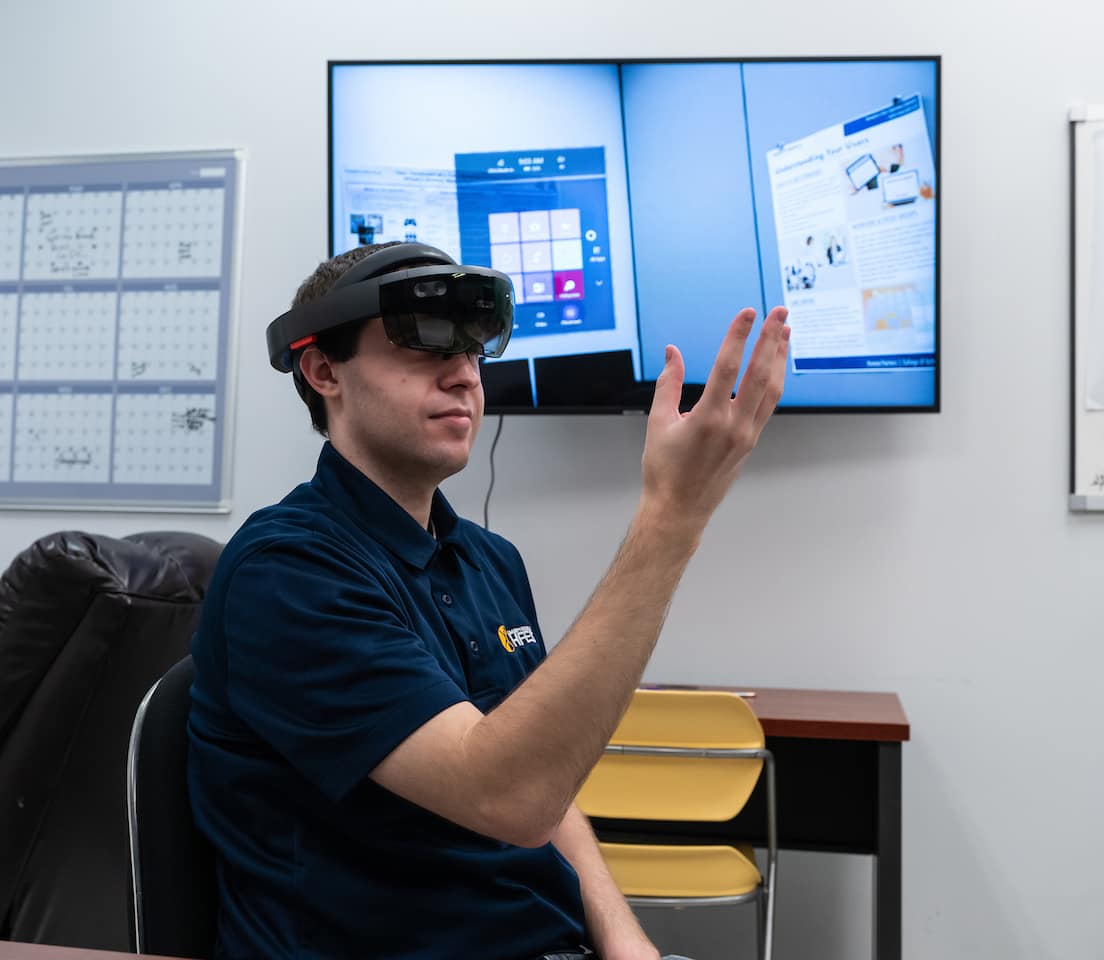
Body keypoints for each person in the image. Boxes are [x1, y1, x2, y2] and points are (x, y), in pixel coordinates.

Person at [187, 240, 790, 960]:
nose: (464, 374)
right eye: (424, 340)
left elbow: (549, 780)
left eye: (475, 347)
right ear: (323, 370)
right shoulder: (289, 570)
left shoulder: (488, 560)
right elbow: (510, 794)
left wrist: (631, 947)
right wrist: (672, 518)